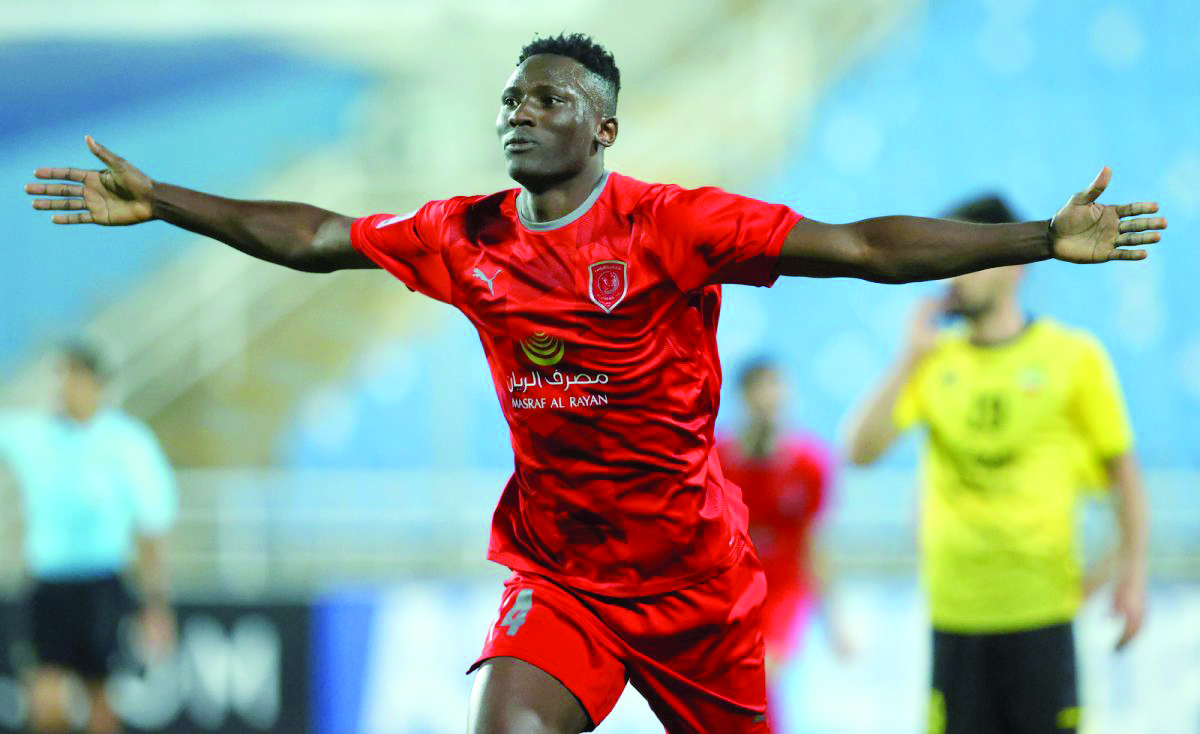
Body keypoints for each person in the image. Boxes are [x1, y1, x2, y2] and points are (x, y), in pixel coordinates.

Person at [24, 32, 1165, 734]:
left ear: (605, 126)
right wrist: (164, 199)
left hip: (696, 591)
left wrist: (1037, 238)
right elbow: (319, 236)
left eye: (548, 100)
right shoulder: (464, 235)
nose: (520, 114)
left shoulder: (676, 226)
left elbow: (863, 247)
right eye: (512, 100)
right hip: (563, 578)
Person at [843, 195, 1150, 734]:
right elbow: (858, 452)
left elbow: (1122, 476)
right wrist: (908, 359)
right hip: (954, 615)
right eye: (949, 255)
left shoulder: (1073, 357)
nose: (954, 271)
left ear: (1014, 265)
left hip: (1042, 614)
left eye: (971, 255)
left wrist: (1130, 573)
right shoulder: (933, 359)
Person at [0, 342, 177, 734]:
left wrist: (155, 604)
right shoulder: (33, 435)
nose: (63, 388)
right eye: (60, 378)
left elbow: (152, 526)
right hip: (48, 585)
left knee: (100, 701)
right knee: (46, 703)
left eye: (72, 377)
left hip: (102, 586)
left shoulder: (128, 442)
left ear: (96, 383)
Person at [716, 358, 849, 734]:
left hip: (783, 593)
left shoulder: (810, 465)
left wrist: (834, 619)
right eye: (760, 388)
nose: (769, 397)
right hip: (730, 591)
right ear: (743, 397)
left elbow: (814, 543)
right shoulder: (717, 460)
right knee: (734, 685)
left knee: (761, 671)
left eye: (776, 387)